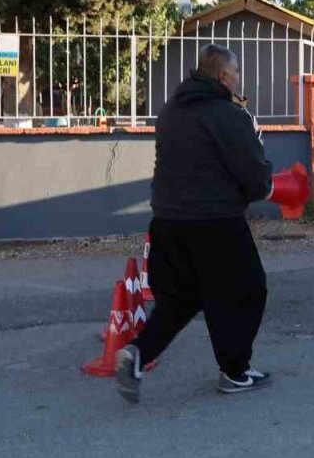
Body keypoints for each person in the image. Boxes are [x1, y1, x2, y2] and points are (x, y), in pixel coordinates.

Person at [116, 44, 274, 403]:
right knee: (248, 291)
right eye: (237, 74)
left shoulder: (171, 111)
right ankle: (235, 371)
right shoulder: (228, 115)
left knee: (179, 301)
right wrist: (263, 183)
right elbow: (254, 175)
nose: (239, 81)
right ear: (223, 76)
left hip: (168, 222)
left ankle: (138, 354)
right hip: (216, 223)